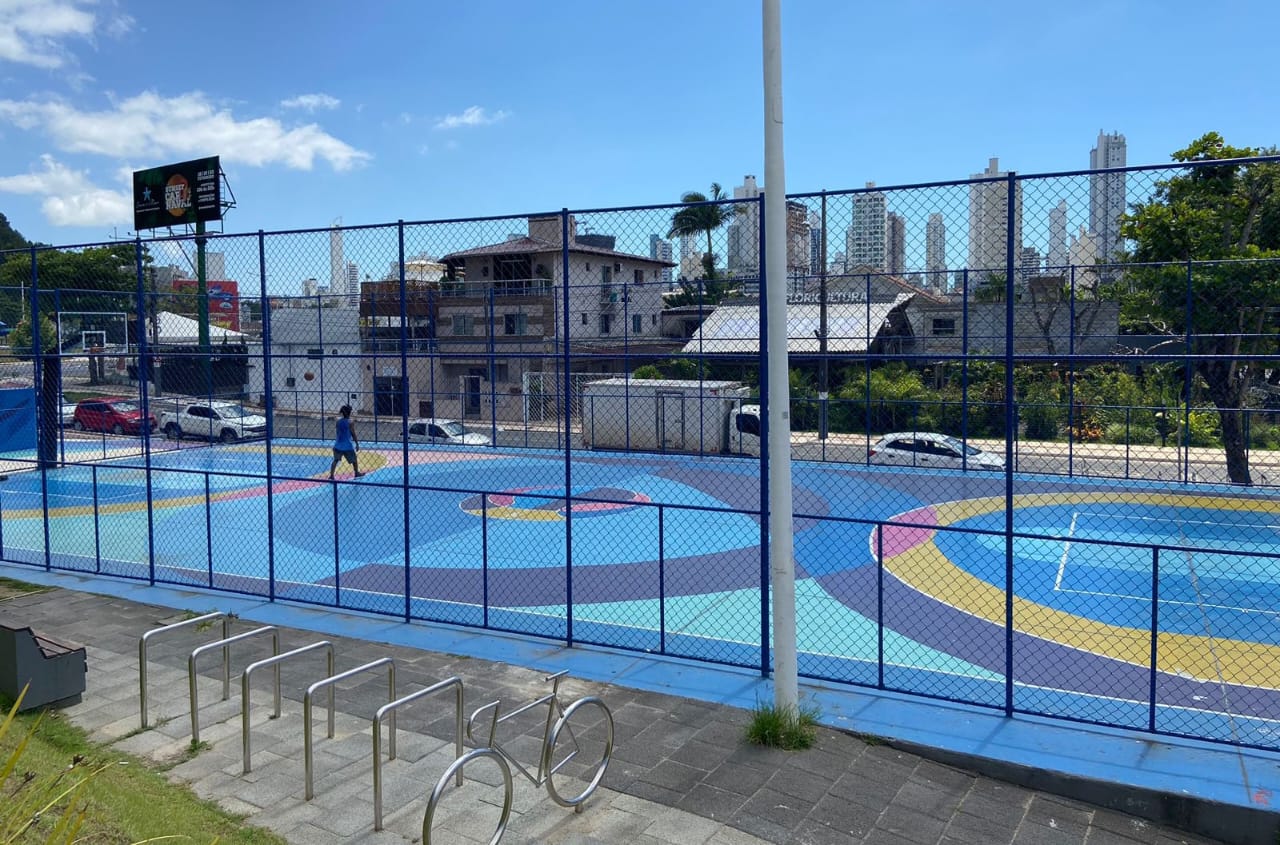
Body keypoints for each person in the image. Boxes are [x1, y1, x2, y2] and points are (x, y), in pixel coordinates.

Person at [328, 405, 364, 479]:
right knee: (354, 460)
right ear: (349, 413)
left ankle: (331, 475)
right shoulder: (350, 422)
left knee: (335, 460)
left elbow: (337, 432)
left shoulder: (338, 422)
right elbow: (353, 433)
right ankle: (356, 472)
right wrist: (357, 443)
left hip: (338, 444)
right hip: (347, 445)